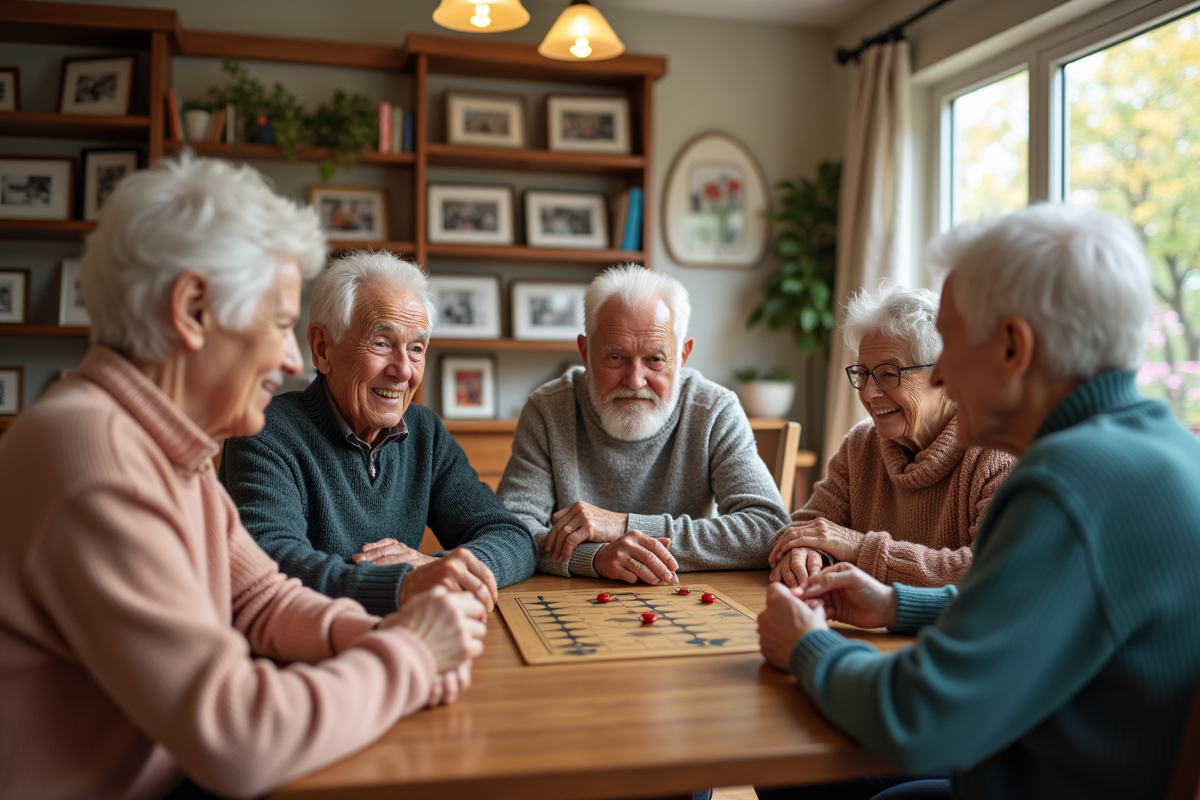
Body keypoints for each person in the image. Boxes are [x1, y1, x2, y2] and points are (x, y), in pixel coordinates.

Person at [0, 154, 488, 800]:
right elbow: (239, 738)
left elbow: (260, 598)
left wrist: (381, 634)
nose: (290, 359)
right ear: (193, 309)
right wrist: (412, 656)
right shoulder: (95, 455)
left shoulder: (168, 445)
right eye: (280, 324)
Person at [757, 204, 1200, 800]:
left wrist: (806, 646)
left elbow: (920, 716)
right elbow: (1031, 611)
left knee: (802, 768)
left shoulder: (1064, 483)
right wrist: (896, 604)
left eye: (953, 342)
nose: (942, 376)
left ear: (1013, 347)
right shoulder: (1165, 447)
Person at [220, 251, 537, 616]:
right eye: (382, 343)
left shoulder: (425, 432)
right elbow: (270, 561)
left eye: (416, 349)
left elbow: (512, 537)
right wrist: (403, 584)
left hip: (403, 634)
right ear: (322, 348)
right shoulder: (264, 429)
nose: (404, 370)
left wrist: (435, 568)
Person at [498, 264, 791, 583]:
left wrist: (623, 525)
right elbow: (510, 530)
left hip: (685, 596)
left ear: (682, 356)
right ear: (586, 352)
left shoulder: (715, 410)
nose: (635, 380)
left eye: (655, 359)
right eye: (615, 357)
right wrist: (596, 557)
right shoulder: (548, 409)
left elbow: (769, 529)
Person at [769, 284, 1015, 588]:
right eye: (862, 373)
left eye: (889, 374)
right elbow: (804, 529)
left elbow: (993, 571)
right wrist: (805, 551)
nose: (868, 393)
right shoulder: (862, 445)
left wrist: (860, 548)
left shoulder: (998, 453)